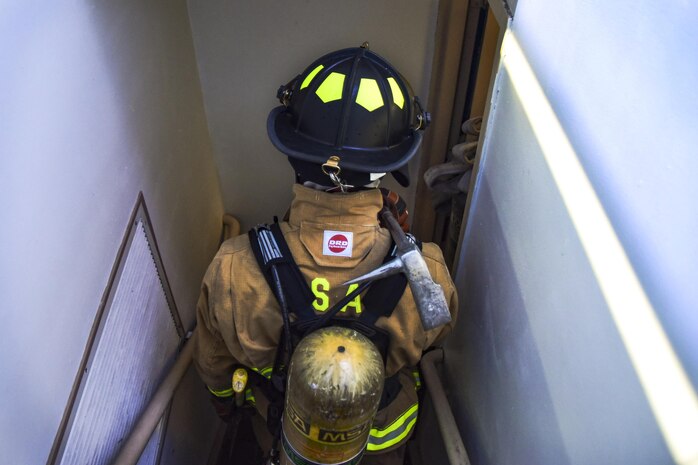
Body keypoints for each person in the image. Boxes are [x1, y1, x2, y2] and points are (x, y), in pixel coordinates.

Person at [193, 43, 458, 465]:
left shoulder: (233, 268)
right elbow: (437, 335)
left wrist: (229, 408)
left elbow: (214, 366)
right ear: (389, 164)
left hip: (286, 438)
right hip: (385, 440)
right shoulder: (430, 274)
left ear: (293, 151)